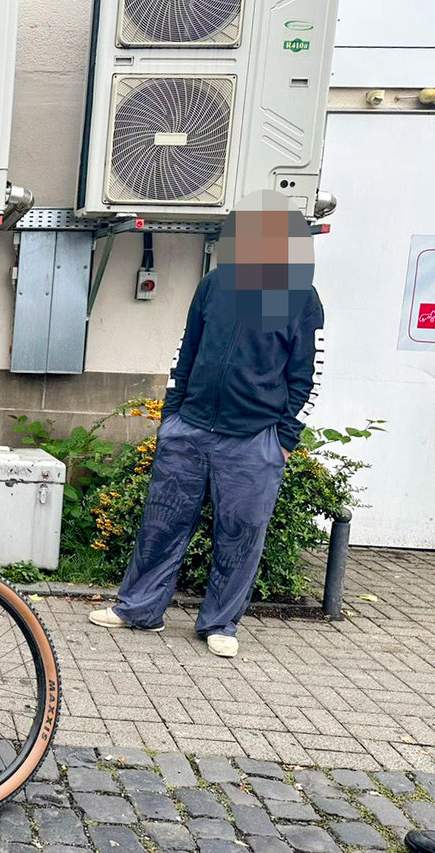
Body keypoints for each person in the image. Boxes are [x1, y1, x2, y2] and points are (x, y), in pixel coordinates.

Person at [89, 191, 324, 658]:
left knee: (240, 535)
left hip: (255, 438)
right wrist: (171, 417)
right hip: (190, 428)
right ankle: (138, 609)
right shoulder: (215, 285)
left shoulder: (299, 297)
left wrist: (284, 438)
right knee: (161, 523)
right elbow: (187, 354)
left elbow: (305, 375)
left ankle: (220, 623)